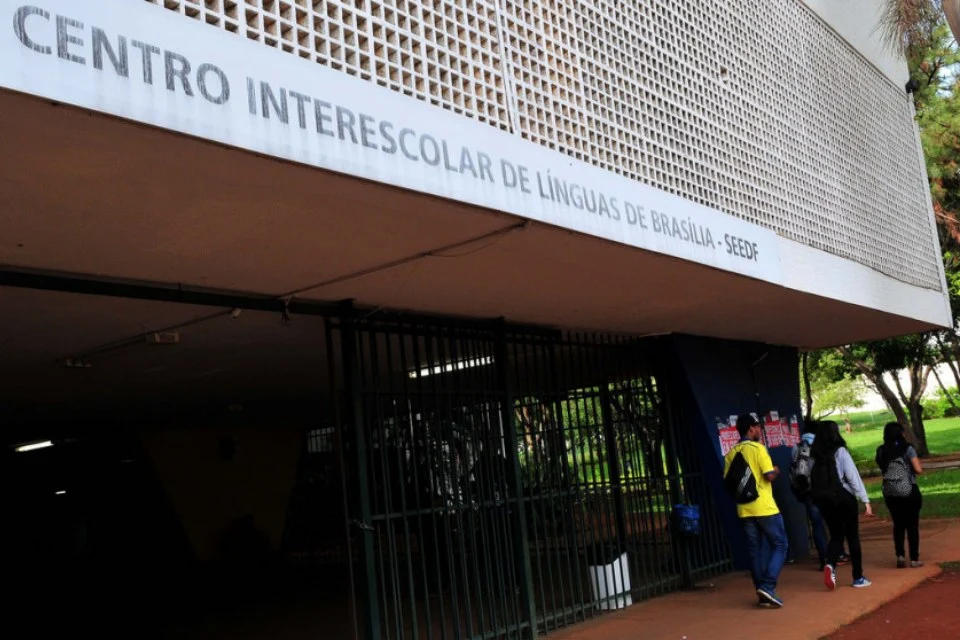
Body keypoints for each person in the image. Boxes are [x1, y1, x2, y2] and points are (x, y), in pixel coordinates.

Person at [724, 413, 788, 608]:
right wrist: (776, 470)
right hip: (765, 507)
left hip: (744, 509)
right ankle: (768, 586)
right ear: (750, 429)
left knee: (755, 551)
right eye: (757, 426)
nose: (759, 430)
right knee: (780, 544)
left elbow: (728, 481)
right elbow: (768, 476)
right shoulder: (758, 449)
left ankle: (762, 591)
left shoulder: (731, 453)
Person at [812, 420, 874, 590]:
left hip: (824, 500)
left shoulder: (815, 454)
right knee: (852, 536)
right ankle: (858, 577)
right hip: (843, 497)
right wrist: (865, 500)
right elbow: (853, 477)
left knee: (836, 535)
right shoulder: (840, 451)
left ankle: (830, 564)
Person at [875, 422, 924, 568]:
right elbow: (918, 469)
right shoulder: (908, 448)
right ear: (901, 433)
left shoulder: (881, 450)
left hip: (890, 492)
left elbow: (882, 468)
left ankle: (900, 556)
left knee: (898, 525)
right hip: (909, 490)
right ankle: (914, 559)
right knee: (912, 525)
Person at [791, 423, 829, 570]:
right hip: (824, 490)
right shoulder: (822, 444)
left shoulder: (796, 447)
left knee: (817, 525)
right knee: (832, 523)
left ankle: (823, 559)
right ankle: (836, 554)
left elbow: (794, 471)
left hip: (808, 493)